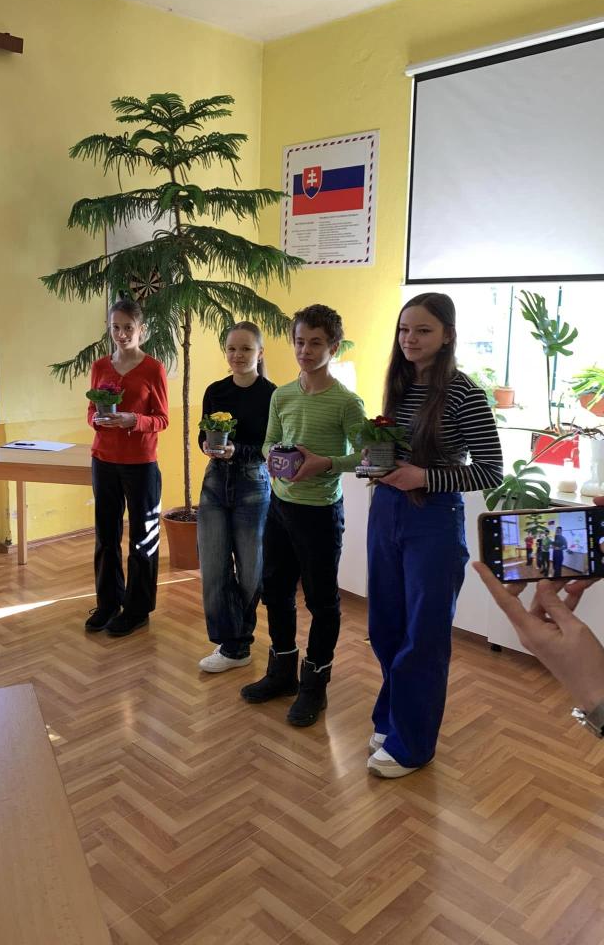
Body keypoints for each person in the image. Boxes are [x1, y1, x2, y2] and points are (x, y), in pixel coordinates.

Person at [366, 292, 503, 778]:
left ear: (447, 336)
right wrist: (376, 463)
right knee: (385, 624)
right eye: (404, 330)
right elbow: (395, 451)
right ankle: (393, 717)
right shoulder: (400, 384)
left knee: (423, 634)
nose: (410, 339)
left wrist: (424, 476)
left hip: (433, 518)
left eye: (423, 330)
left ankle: (413, 745)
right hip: (387, 510)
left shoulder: (464, 392)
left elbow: (491, 470)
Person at [240, 304, 365, 726]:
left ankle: (315, 686)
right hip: (279, 507)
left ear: (333, 347)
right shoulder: (282, 395)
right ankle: (282, 673)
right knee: (276, 591)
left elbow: (367, 454)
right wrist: (274, 456)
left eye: (315, 343)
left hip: (320, 515)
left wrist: (326, 463)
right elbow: (268, 442)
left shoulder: (346, 402)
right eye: (299, 341)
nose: (305, 351)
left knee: (321, 601)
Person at [473, 496, 604, 733]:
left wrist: (593, 691)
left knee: (554, 570)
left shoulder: (559, 539)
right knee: (548, 569)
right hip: (546, 556)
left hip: (557, 556)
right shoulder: (545, 539)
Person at [84, 299, 169, 637]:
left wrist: (133, 419)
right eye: (116, 327)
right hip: (103, 460)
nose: (121, 334)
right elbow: (90, 411)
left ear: (141, 330)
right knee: (106, 535)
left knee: (142, 538)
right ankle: (108, 603)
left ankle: (137, 609)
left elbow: (162, 419)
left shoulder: (153, 369)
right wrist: (98, 419)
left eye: (128, 328)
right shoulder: (99, 366)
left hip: (141, 464)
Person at [196, 323, 276, 672]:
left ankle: (238, 643)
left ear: (260, 353)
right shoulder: (215, 390)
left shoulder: (272, 395)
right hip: (215, 483)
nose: (238, 355)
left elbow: (270, 447)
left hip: (252, 485)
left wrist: (236, 451)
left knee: (250, 572)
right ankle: (232, 645)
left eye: (246, 349)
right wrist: (208, 446)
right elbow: (203, 434)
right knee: (214, 567)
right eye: (232, 348)